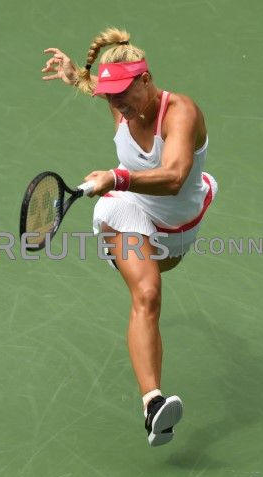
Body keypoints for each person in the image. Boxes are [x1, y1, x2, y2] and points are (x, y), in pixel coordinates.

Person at [41, 27, 218, 447]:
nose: (116, 103)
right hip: (128, 210)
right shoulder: (121, 106)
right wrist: (76, 76)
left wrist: (117, 176)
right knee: (148, 294)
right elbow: (102, 91)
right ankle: (153, 404)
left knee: (161, 270)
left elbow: (174, 177)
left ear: (146, 79)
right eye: (109, 96)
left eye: (122, 92)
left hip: (178, 225)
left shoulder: (181, 113)